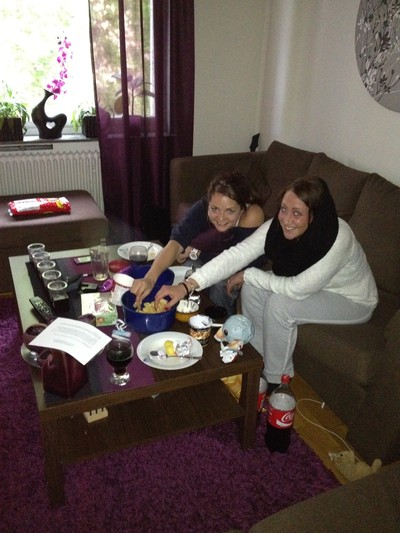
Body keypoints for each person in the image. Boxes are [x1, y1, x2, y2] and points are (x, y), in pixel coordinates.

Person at [155, 175, 378, 394]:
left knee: (279, 305)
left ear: (314, 216)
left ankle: (276, 382)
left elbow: (297, 288)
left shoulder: (338, 237)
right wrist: (186, 286)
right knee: (253, 288)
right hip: (312, 284)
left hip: (350, 298)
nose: (286, 220)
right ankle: (256, 362)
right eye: (284, 209)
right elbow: (236, 255)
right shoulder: (277, 227)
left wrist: (249, 274)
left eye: (297, 213)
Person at [131, 171, 265, 315]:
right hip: (209, 258)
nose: (221, 217)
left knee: (219, 284)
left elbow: (235, 258)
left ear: (242, 208)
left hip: (239, 267)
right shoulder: (203, 207)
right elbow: (175, 243)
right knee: (185, 271)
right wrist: (149, 279)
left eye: (230, 211)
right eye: (214, 209)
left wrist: (196, 246)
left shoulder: (252, 215)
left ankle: (222, 322)